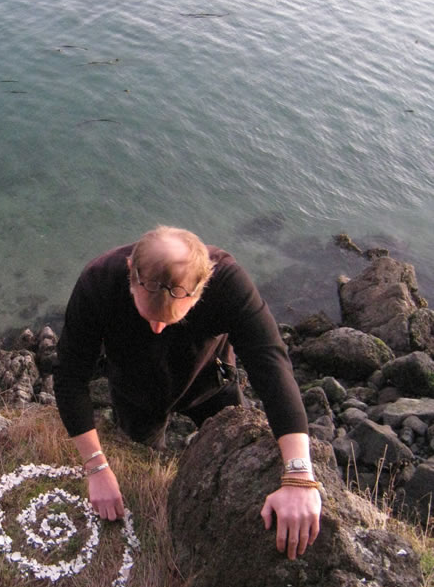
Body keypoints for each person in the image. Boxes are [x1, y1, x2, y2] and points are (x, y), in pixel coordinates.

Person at [52, 226, 321, 560]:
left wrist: (298, 475)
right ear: (130, 274)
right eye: (148, 316)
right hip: (136, 393)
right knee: (143, 455)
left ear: (202, 289)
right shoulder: (98, 283)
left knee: (237, 447)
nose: (157, 329)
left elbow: (271, 363)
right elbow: (69, 376)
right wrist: (96, 468)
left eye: (171, 320)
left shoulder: (228, 283)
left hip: (211, 384)